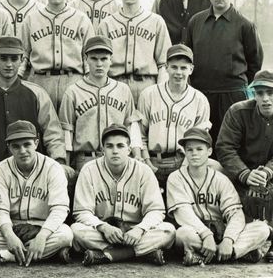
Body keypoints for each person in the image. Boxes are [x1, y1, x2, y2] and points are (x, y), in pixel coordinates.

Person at [215, 70, 273, 263]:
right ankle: (213, 228)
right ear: (253, 94)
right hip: (240, 168)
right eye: (259, 93)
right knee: (211, 169)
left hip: (271, 173)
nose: (265, 99)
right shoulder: (238, 111)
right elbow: (224, 148)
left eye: (271, 92)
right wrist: (244, 173)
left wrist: (267, 172)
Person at [71, 124, 175, 266]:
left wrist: (140, 229)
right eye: (110, 146)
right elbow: (82, 211)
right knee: (76, 231)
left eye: (120, 146)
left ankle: (109, 255)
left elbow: (156, 210)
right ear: (102, 150)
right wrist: (102, 227)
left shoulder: (144, 171)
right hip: (104, 233)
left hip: (135, 233)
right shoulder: (88, 170)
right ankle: (143, 253)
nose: (115, 151)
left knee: (169, 231)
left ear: (129, 149)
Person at [167, 127, 271, 266]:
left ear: (209, 151)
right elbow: (183, 213)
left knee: (262, 229)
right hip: (196, 233)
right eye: (190, 150)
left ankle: (210, 255)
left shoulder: (220, 179)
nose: (194, 154)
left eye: (199, 149)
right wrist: (206, 234)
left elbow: (235, 213)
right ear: (184, 152)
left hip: (221, 232)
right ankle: (236, 254)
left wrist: (228, 240)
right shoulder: (175, 178)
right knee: (182, 234)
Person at [186, 0, 264, 147]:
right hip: (201, 95)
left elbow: (255, 63)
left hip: (233, 96)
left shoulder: (245, 25)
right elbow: (188, 57)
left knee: (232, 145)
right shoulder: (195, 22)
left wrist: (235, 84)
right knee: (203, 145)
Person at [0, 121, 74, 266]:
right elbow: (0, 210)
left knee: (66, 235)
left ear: (36, 143)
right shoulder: (0, 170)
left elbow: (60, 208)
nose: (22, 150)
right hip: (13, 226)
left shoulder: (53, 168)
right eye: (16, 146)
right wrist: (9, 235)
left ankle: (3, 256)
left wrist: (42, 236)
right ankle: (48, 255)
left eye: (27, 144)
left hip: (42, 226)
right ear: (9, 147)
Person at [0, 37, 65, 173]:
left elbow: (52, 133)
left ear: (22, 61)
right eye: (4, 58)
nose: (9, 64)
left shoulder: (36, 94)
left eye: (14, 59)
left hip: (33, 174)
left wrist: (58, 162)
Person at [133, 44, 211, 188]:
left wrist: (185, 168)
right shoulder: (148, 94)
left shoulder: (200, 100)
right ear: (166, 68)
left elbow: (199, 141)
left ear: (191, 69)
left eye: (183, 68)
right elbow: (140, 133)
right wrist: (146, 161)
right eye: (174, 67)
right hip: (152, 160)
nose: (178, 72)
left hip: (182, 162)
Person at [58, 36, 137, 173]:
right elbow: (66, 132)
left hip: (117, 158)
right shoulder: (73, 91)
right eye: (94, 59)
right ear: (86, 59)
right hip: (85, 159)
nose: (99, 64)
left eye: (104, 59)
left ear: (111, 60)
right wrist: (67, 164)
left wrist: (137, 157)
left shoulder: (123, 90)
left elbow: (131, 127)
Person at [21, 0, 94, 110]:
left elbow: (89, 56)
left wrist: (89, 85)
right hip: (40, 81)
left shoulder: (81, 19)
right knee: (40, 129)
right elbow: (23, 56)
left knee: (73, 128)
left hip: (73, 80)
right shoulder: (31, 19)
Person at [97, 0, 170, 104]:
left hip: (147, 84)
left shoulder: (156, 22)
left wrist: (160, 92)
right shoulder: (107, 24)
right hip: (115, 84)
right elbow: (99, 63)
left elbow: (164, 63)